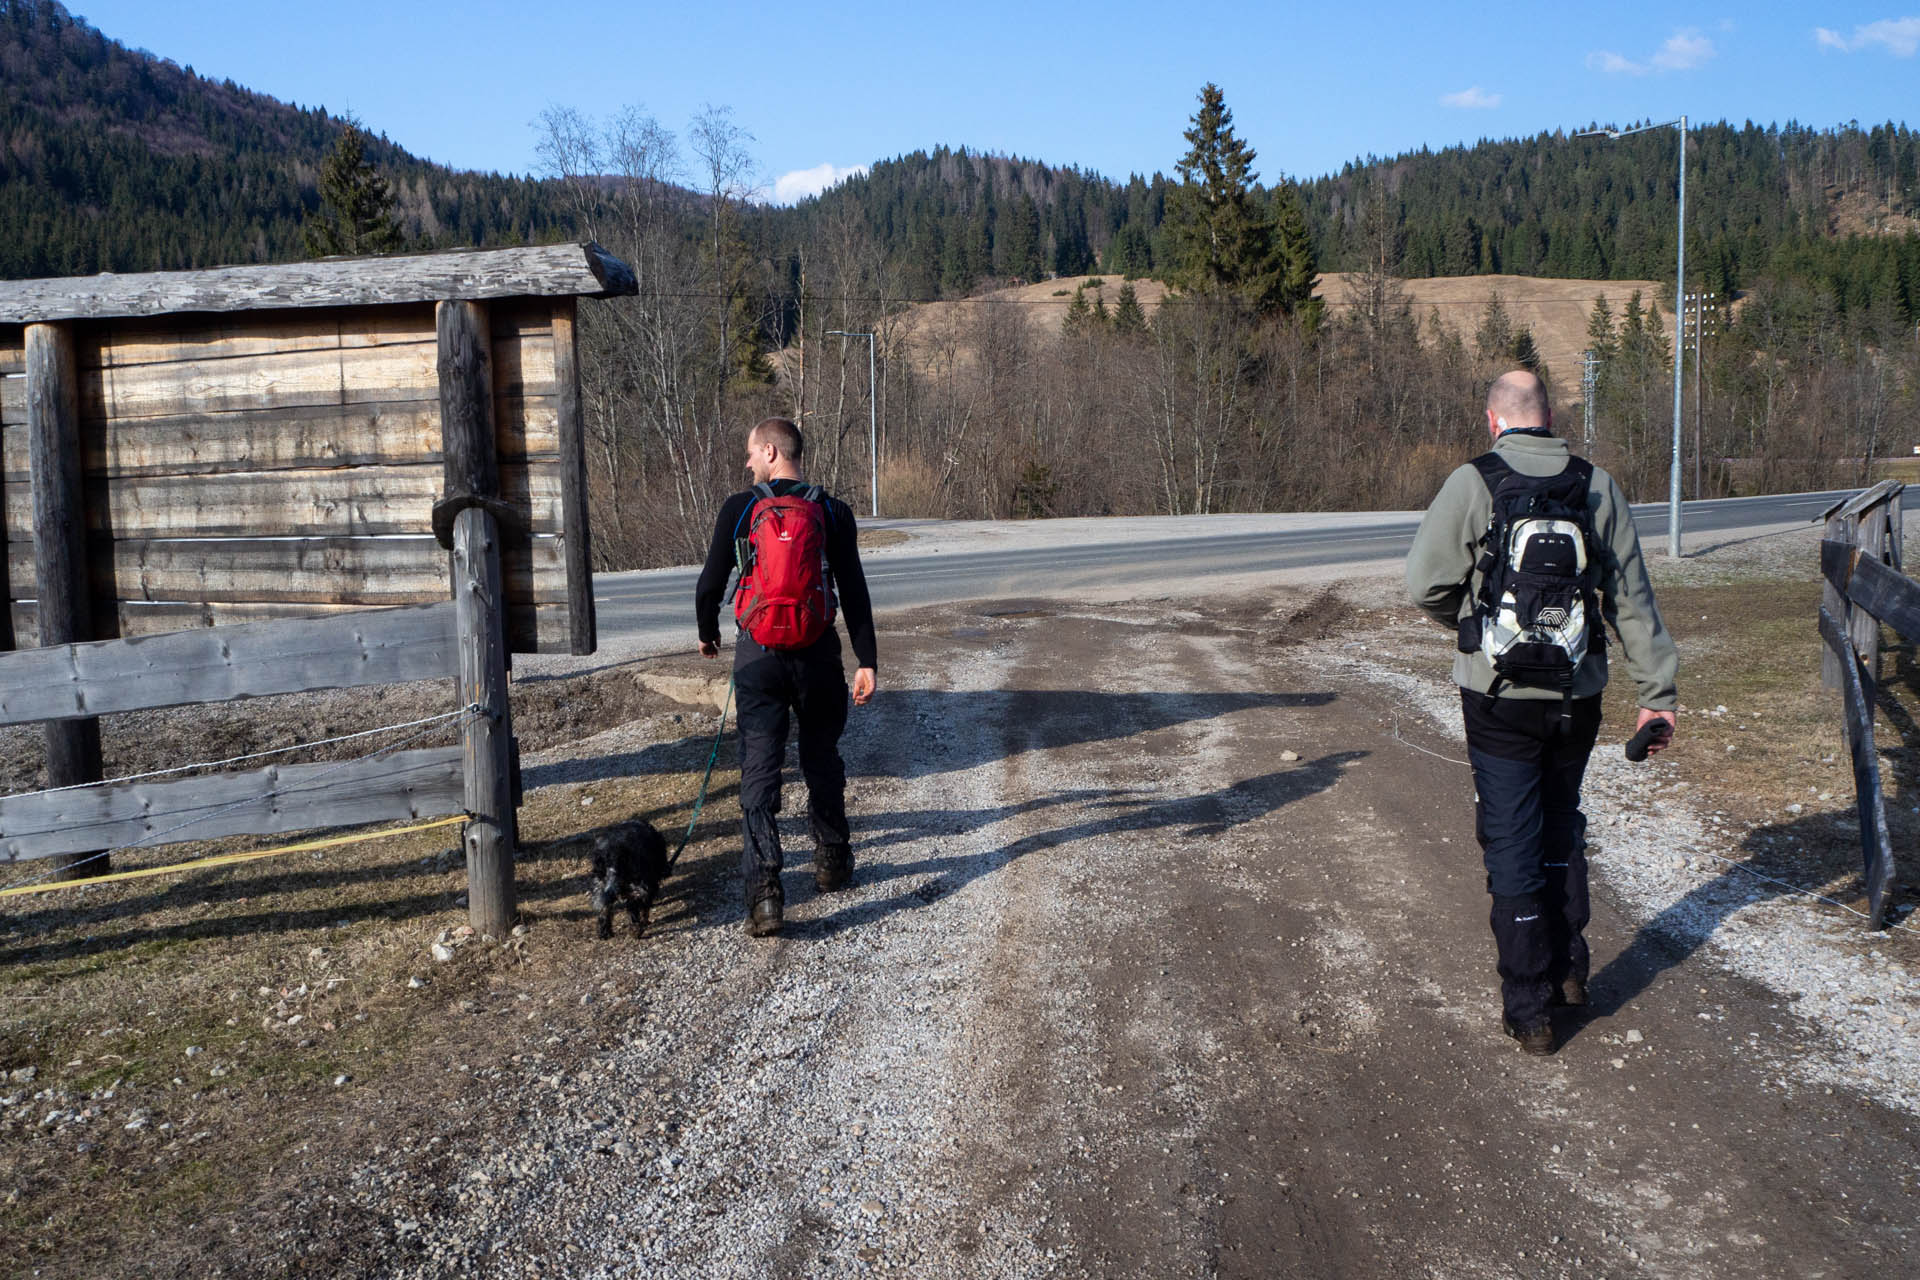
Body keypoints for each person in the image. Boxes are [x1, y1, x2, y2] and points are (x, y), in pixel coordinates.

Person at [1405, 370, 1678, 1056]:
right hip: (1576, 698)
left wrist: (1476, 630)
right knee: (1561, 827)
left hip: (1497, 699)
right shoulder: (1596, 484)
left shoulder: (1475, 481)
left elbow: (1425, 583)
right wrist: (1657, 698)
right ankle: (1569, 972)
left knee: (1511, 838)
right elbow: (1632, 602)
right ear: (1550, 417)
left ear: (1493, 421)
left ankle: (1529, 1010)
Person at [695, 418, 877, 937]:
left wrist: (707, 632)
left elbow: (710, 584)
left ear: (772, 452)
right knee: (821, 757)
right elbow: (855, 591)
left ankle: (766, 895)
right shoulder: (833, 511)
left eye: (751, 453)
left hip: (759, 657)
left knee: (759, 767)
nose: (747, 462)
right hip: (818, 654)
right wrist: (867, 661)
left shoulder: (740, 508)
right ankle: (833, 861)